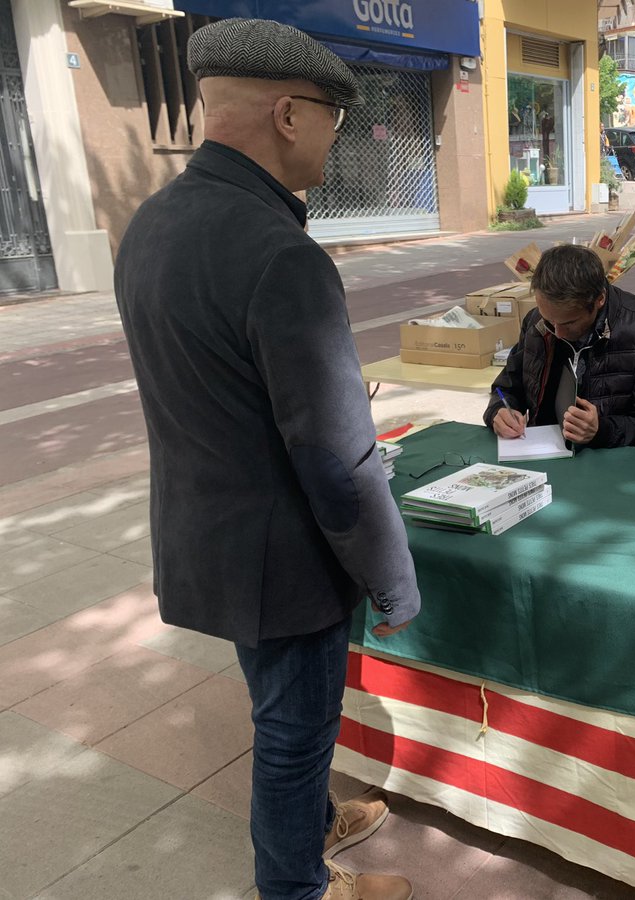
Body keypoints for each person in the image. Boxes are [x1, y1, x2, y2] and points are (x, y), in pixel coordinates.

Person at [114, 18, 418, 900]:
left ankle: (315, 825)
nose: (339, 135)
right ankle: (298, 888)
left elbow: (211, 380)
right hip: (282, 558)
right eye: (334, 114)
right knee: (295, 733)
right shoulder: (280, 252)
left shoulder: (152, 224)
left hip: (205, 530)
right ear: (289, 112)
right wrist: (393, 582)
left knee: (279, 716)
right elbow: (335, 462)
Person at [485, 244, 635, 449]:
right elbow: (506, 388)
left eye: (569, 323)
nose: (556, 332)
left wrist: (601, 430)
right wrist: (500, 409)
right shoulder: (536, 323)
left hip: (613, 461)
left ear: (599, 300)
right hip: (542, 453)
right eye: (549, 320)